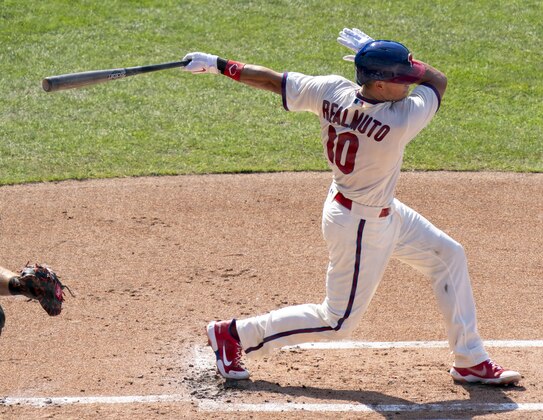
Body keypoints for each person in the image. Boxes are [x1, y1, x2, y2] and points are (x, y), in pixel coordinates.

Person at [182, 27, 521, 385]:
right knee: (337, 320)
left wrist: (220, 65)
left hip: (372, 209)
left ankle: (470, 359)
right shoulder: (399, 119)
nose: (408, 84)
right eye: (399, 78)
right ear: (377, 84)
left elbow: (272, 81)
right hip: (360, 226)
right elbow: (436, 78)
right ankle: (235, 334)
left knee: (448, 256)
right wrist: (380, 54)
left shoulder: (331, 89)